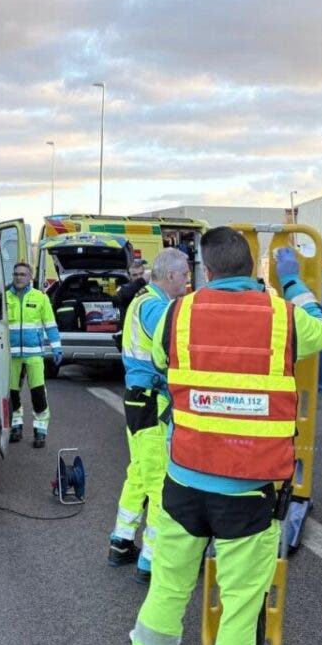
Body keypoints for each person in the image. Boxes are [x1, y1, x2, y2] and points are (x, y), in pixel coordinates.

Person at [130, 228, 322, 645]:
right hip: (248, 493)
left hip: (184, 484)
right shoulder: (283, 318)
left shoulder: (176, 314)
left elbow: (162, 362)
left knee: (166, 592)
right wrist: (293, 282)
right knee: (241, 608)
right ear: (253, 268)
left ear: (207, 270)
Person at [109, 248, 190, 582]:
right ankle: (151, 561)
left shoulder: (144, 300)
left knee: (140, 473)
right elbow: (176, 346)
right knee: (159, 482)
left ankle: (121, 542)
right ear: (170, 275)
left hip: (138, 399)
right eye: (185, 274)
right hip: (153, 400)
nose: (187, 280)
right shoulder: (157, 307)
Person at [5, 262, 62, 448]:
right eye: (16, 274)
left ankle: (40, 431)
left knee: (38, 393)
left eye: (22, 274)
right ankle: (16, 426)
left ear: (30, 277)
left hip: (34, 354)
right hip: (11, 355)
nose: (18, 277)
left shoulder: (40, 297)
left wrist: (56, 348)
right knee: (12, 393)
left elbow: (50, 325)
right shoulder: (4, 298)